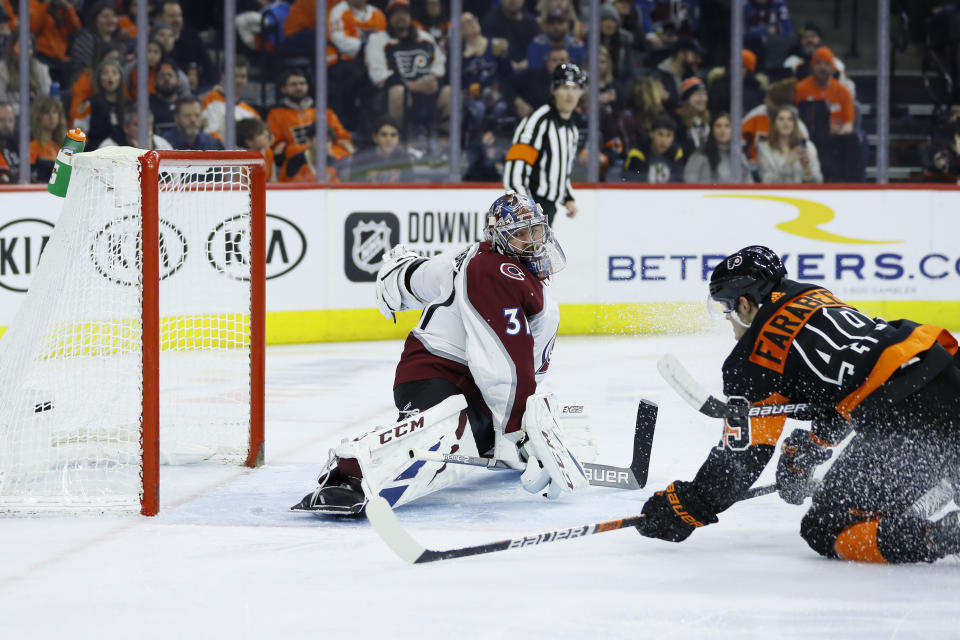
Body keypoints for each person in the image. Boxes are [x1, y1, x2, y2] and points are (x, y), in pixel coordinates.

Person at [637, 245, 960, 565]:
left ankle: (948, 533)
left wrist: (688, 507)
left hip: (911, 418)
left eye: (727, 308)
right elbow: (851, 381)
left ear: (745, 304)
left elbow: (742, 459)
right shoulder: (812, 295)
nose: (728, 319)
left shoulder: (751, 360)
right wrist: (811, 448)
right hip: (948, 369)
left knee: (828, 528)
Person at [292, 192, 587, 515]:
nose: (532, 241)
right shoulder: (495, 272)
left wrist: (395, 277)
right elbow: (503, 361)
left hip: (464, 380)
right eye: (520, 234)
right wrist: (518, 429)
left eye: (535, 230)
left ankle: (487, 433)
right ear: (498, 238)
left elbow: (416, 277)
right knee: (448, 434)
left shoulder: (471, 258)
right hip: (439, 374)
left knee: (481, 430)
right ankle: (349, 473)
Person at [503, 63, 585, 225]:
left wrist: (566, 197)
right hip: (529, 208)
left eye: (575, 88)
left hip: (549, 208)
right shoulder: (538, 122)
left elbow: (559, 169)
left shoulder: (572, 129)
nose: (570, 94)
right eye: (564, 87)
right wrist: (527, 210)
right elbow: (514, 173)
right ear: (554, 90)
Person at [756, 105, 822, 183]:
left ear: (795, 124)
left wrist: (807, 169)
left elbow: (818, 181)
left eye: (790, 119)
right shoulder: (764, 148)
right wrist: (787, 163)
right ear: (774, 124)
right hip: (775, 195)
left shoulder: (808, 146)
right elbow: (767, 181)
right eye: (781, 119)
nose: (786, 123)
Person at [682, 112, 753, 184]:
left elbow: (748, 182)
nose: (722, 130)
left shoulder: (739, 155)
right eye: (718, 126)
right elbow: (689, 182)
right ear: (712, 130)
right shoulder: (700, 155)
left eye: (727, 126)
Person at [347, 114, 416, 182]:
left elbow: (409, 187)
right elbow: (356, 188)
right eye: (384, 135)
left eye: (393, 135)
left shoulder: (403, 158)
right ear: (375, 137)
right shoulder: (362, 158)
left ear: (398, 139)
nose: (389, 139)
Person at [621, 112, 685, 183]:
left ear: (673, 137)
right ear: (651, 134)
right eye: (660, 134)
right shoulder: (637, 153)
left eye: (668, 135)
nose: (664, 140)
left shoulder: (676, 153)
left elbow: (678, 181)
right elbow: (631, 181)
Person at [100, 106, 172, 150]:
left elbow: (175, 174)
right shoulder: (108, 147)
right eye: (137, 125)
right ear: (126, 128)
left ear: (152, 127)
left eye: (146, 124)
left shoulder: (162, 145)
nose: (142, 129)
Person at [29, 94, 65, 182]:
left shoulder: (61, 146)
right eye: (46, 113)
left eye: (55, 112)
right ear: (38, 116)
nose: (52, 116)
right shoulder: (32, 147)